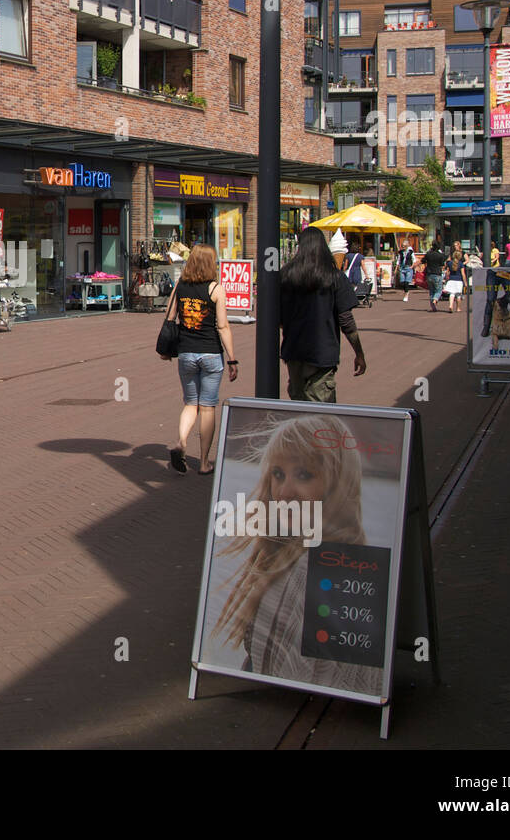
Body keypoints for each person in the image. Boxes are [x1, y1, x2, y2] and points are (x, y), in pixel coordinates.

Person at [210, 414, 382, 696]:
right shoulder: (292, 553)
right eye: (278, 475)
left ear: (338, 481)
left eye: (304, 474)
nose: (284, 492)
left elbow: (323, 684)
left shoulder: (327, 572)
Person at [161, 244, 239, 476]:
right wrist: (233, 359)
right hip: (210, 353)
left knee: (190, 403)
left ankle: (181, 442)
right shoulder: (216, 289)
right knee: (207, 407)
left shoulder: (181, 286)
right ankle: (204, 462)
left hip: (186, 352)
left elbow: (169, 316)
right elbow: (223, 326)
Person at [279, 226, 367, 402]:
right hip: (323, 352)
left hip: (294, 351)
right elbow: (346, 320)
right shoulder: (334, 277)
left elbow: (278, 317)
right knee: (321, 414)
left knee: (298, 408)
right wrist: (359, 353)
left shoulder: (285, 276)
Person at [423, 239, 447, 312]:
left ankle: (433, 307)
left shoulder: (428, 254)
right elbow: (442, 264)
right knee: (439, 290)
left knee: (432, 291)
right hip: (437, 274)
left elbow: (423, 261)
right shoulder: (440, 255)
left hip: (429, 274)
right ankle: (435, 299)